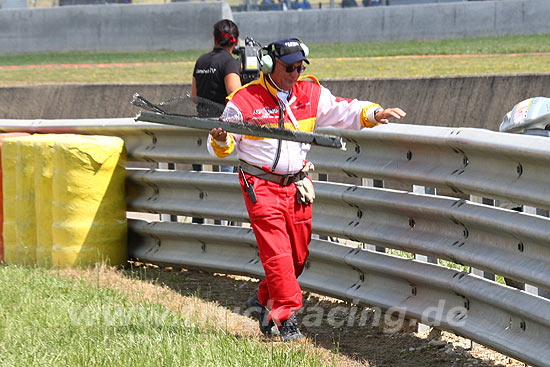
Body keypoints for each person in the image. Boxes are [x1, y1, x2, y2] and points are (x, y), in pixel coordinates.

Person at [207, 38, 405, 341]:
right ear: (270, 66)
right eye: (289, 68)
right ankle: (286, 320)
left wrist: (374, 114)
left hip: (297, 186)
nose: (295, 73)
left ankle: (263, 299)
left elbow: (345, 110)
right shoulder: (244, 100)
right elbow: (220, 145)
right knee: (278, 255)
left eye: (300, 67)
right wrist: (221, 139)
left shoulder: (311, 93)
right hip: (260, 186)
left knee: (296, 258)